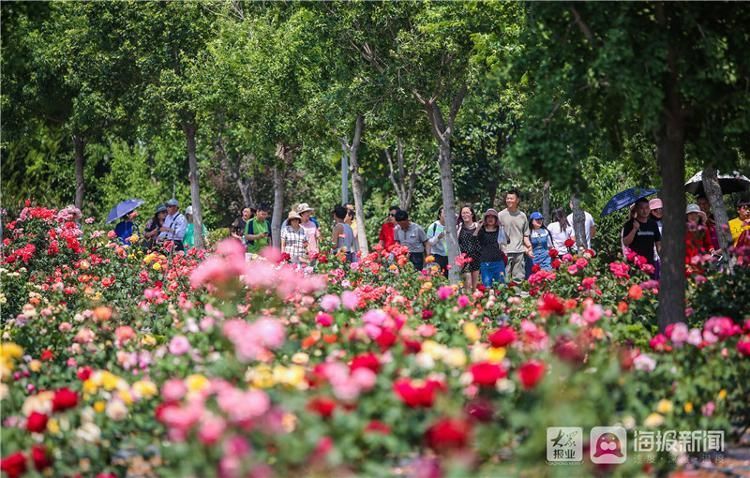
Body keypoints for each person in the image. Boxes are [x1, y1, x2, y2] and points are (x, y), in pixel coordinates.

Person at [498, 190, 532, 284]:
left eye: (511, 198)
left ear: (517, 200)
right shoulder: (500, 215)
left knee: (519, 279)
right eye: (507, 198)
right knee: (504, 278)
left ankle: (517, 297)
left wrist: (529, 247)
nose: (509, 200)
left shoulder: (522, 216)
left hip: (519, 252)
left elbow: (525, 235)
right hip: (504, 252)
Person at [622, 198, 661, 270]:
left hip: (650, 264)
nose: (645, 211)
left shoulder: (653, 224)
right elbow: (625, 242)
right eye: (641, 208)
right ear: (636, 209)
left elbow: (658, 243)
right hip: (635, 264)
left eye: (647, 208)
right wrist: (634, 229)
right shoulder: (630, 224)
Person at [474, 208, 508, 288]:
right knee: (487, 286)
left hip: (498, 262)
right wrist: (478, 227)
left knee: (501, 286)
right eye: (488, 217)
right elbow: (473, 239)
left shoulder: (499, 230)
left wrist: (502, 228)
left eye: (493, 217)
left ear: (496, 219)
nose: (490, 219)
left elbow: (507, 240)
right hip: (485, 262)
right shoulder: (482, 231)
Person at [457, 205, 481, 290]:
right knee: (468, 284)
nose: (465, 215)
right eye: (463, 213)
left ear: (472, 214)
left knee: (474, 286)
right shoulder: (459, 227)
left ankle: (474, 302)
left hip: (476, 258)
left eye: (467, 212)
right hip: (464, 259)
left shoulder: (478, 226)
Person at [426, 207, 449, 276]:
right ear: (439, 216)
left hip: (449, 257)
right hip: (437, 256)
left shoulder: (452, 226)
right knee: (437, 276)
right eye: (444, 213)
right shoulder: (433, 226)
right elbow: (429, 243)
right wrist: (437, 238)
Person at [649, 198, 664, 277]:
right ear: (651, 212)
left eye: (661, 209)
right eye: (656, 210)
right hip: (654, 256)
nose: (659, 212)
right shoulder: (649, 224)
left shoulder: (665, 222)